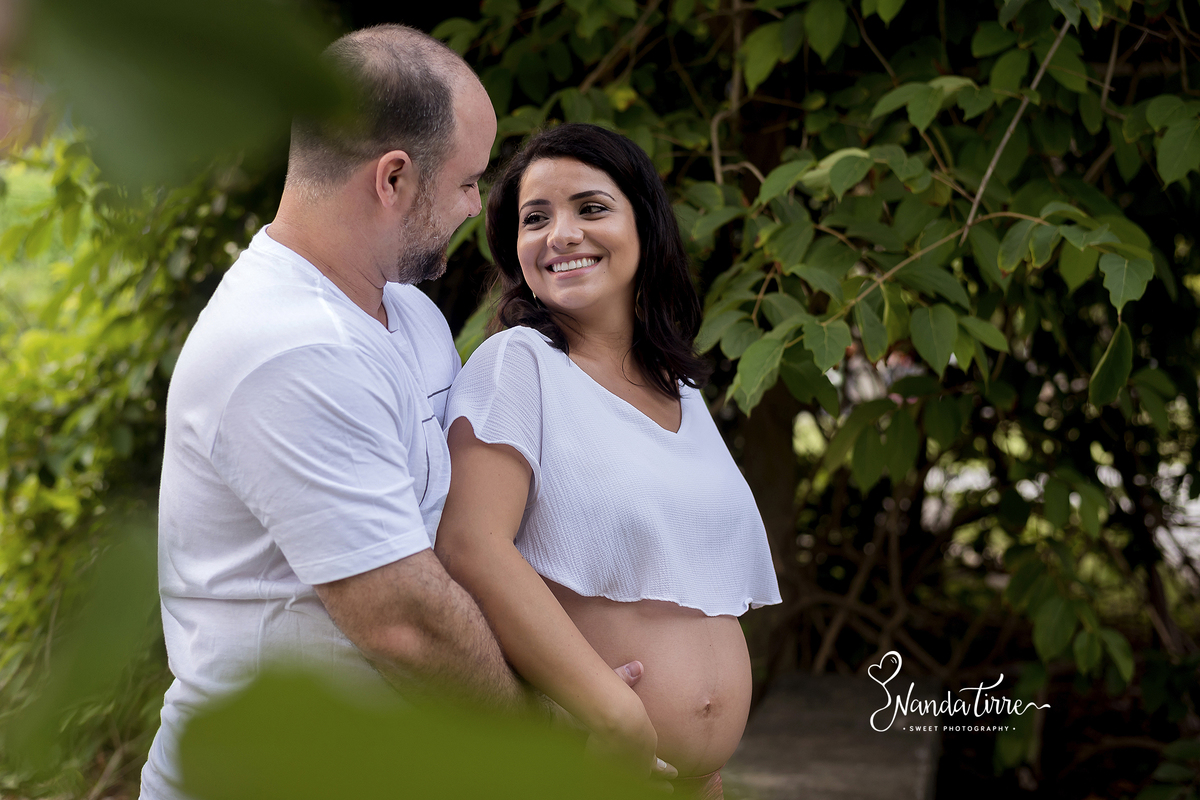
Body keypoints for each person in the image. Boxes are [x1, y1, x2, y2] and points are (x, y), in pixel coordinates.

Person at [138, 26, 652, 800]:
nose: (478, 208)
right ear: (393, 179)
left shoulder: (405, 314)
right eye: (468, 182)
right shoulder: (287, 347)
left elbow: (462, 530)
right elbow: (403, 623)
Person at [435, 123, 783, 799]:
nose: (561, 234)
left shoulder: (677, 386)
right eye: (536, 219)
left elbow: (692, 589)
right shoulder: (518, 365)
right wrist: (616, 714)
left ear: (644, 228)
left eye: (590, 208)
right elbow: (471, 545)